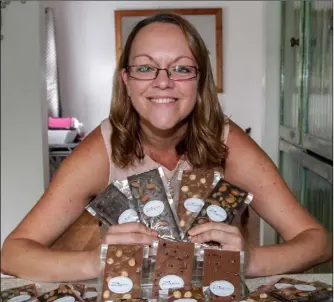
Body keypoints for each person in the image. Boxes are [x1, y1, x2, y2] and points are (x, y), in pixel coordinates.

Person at [1, 13, 331, 282]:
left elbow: (318, 241)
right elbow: (13, 253)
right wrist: (96, 262)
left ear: (200, 81)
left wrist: (249, 260)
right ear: (126, 80)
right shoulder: (100, 150)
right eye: (145, 67)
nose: (163, 81)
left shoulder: (228, 143)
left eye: (182, 68)